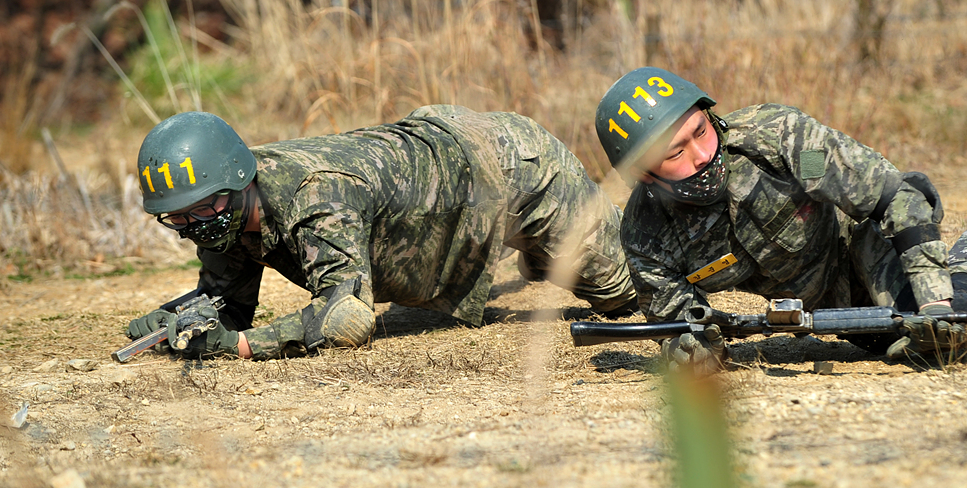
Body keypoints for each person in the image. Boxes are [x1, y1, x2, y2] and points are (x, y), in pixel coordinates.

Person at [593, 66, 967, 369]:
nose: (701, 155)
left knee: (945, 326)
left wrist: (934, 294)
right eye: (675, 153)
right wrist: (695, 351)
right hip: (830, 304)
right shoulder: (644, 239)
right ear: (643, 174)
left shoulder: (777, 137)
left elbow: (895, 194)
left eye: (701, 132)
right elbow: (679, 326)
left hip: (868, 242)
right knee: (905, 347)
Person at [125, 106, 636, 359]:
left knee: (627, 293)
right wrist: (172, 322)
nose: (196, 225)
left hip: (509, 166)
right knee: (560, 268)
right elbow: (227, 304)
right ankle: (537, 257)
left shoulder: (318, 196)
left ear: (239, 182)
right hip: (448, 187)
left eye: (203, 208)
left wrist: (237, 348)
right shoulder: (222, 212)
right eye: (180, 218)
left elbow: (346, 319)